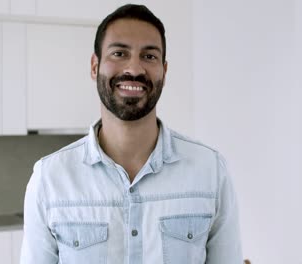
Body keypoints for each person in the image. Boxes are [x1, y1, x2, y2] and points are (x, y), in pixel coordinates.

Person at [20, 4, 242, 264]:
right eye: (119, 53)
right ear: (95, 66)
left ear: (164, 71)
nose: (134, 69)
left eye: (149, 56)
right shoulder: (50, 179)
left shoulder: (211, 171)